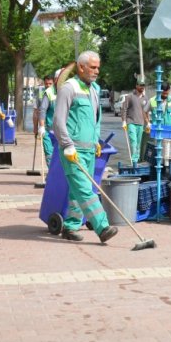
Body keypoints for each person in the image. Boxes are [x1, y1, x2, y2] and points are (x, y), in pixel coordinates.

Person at [53, 51, 118, 243]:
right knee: (84, 190)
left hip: (89, 150)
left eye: (98, 67)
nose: (97, 71)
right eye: (93, 67)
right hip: (73, 151)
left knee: (77, 191)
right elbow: (58, 121)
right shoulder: (69, 88)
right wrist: (67, 145)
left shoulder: (93, 90)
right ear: (81, 67)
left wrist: (96, 141)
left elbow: (94, 120)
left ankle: (71, 226)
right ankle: (102, 226)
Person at [122, 78, 148, 163]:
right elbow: (124, 108)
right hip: (131, 122)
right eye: (140, 85)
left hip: (141, 123)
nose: (142, 87)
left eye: (143, 85)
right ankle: (134, 160)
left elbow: (146, 111)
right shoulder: (130, 96)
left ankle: (137, 159)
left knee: (138, 143)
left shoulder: (145, 98)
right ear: (136, 86)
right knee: (133, 141)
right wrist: (124, 121)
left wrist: (148, 122)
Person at [35, 73, 57, 167]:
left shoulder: (62, 93)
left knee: (59, 154)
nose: (48, 86)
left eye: (50, 84)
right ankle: (51, 174)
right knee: (49, 153)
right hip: (47, 129)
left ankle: (59, 175)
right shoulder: (42, 94)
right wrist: (38, 127)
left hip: (59, 130)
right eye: (46, 84)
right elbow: (39, 111)